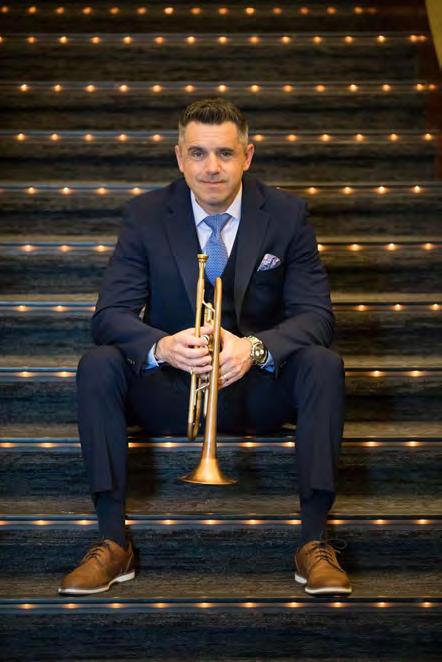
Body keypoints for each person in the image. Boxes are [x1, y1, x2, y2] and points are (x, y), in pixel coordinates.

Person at [59, 98, 351, 597]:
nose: (211, 167)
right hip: (174, 390)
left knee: (322, 364)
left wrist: (255, 348)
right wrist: (163, 346)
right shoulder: (146, 215)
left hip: (254, 391)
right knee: (98, 365)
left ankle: (313, 540)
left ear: (247, 156)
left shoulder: (286, 214)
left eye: (225, 153)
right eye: (197, 153)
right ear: (179, 157)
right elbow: (109, 316)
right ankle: (111, 540)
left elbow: (317, 317)